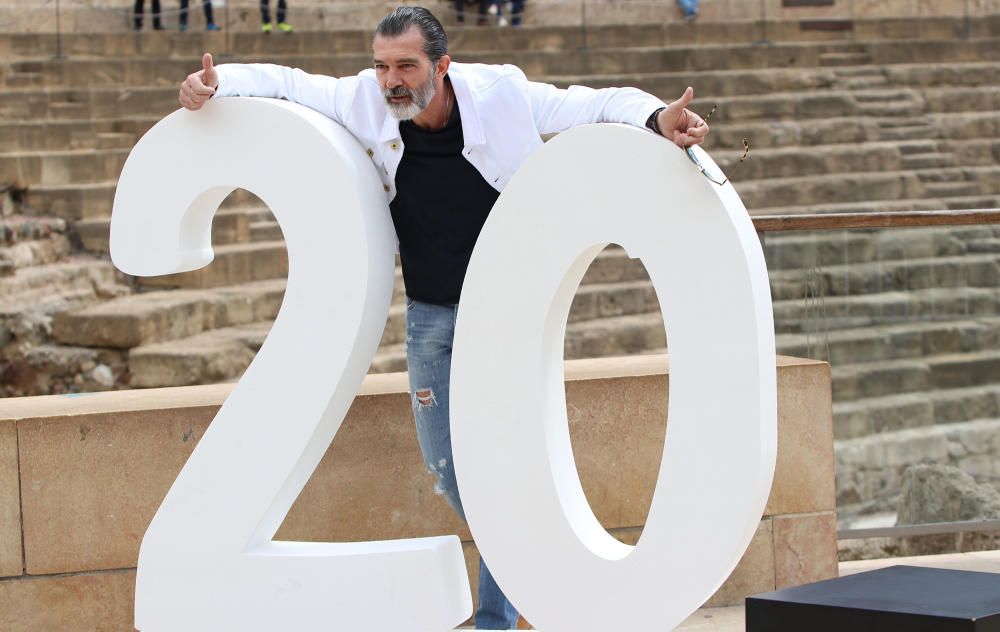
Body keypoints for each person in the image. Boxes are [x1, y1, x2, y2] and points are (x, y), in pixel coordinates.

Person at [178, 6, 708, 629]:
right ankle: (527, 584)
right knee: (451, 471)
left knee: (502, 460)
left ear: (443, 65)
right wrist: (215, 83)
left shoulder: (501, 96)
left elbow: (584, 105)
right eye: (382, 66)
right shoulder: (366, 101)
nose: (391, 80)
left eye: (406, 65)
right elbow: (291, 83)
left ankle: (495, 616)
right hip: (429, 312)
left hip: (506, 311)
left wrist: (654, 116)